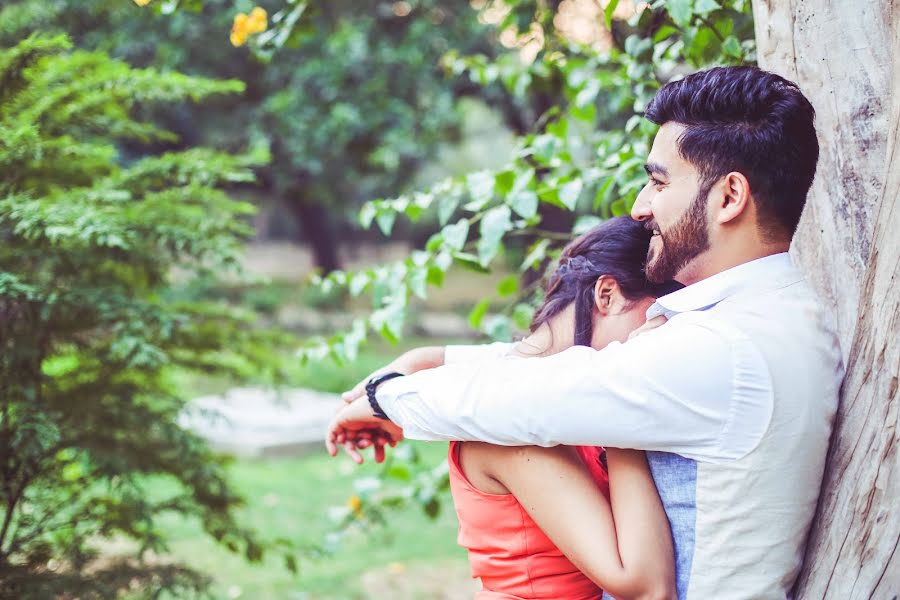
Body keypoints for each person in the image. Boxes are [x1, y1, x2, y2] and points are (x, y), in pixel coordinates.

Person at [327, 66, 844, 599]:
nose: (642, 206)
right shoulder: (775, 319)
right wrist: (426, 362)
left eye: (660, 182)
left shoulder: (724, 348)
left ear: (729, 197)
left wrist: (383, 398)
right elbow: (574, 369)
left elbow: (537, 394)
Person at [447, 217, 680, 600]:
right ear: (607, 295)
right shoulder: (508, 417)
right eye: (659, 320)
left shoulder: (563, 395)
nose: (662, 344)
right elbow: (647, 588)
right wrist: (624, 405)